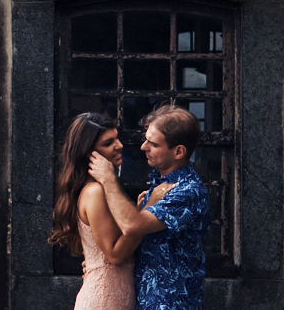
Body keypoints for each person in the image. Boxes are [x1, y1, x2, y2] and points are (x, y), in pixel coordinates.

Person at [88, 105, 210, 310]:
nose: (143, 147)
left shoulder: (187, 191)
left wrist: (108, 179)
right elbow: (142, 244)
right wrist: (98, 265)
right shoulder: (159, 185)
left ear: (179, 151)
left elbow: (131, 227)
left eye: (153, 144)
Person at [51, 113, 170, 310]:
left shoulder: (100, 189)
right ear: (90, 154)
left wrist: (139, 212)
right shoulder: (95, 192)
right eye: (108, 143)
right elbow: (115, 254)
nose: (119, 145)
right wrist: (148, 210)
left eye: (117, 138)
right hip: (104, 299)